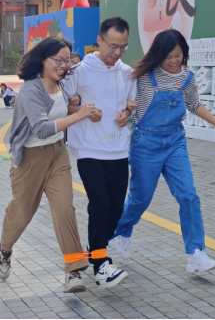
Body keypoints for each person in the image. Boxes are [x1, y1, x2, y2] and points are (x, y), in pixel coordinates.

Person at [114, 29, 215, 273]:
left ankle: (195, 254)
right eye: (167, 56)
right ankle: (123, 230)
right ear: (158, 55)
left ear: (184, 53)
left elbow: (194, 104)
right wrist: (124, 111)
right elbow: (121, 98)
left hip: (175, 142)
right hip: (145, 143)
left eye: (178, 55)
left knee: (188, 195)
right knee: (140, 199)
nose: (173, 61)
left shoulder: (187, 77)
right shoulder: (142, 76)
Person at [0, 36, 98, 294]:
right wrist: (80, 115)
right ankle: (4, 249)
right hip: (30, 159)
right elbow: (41, 129)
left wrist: (84, 111)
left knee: (64, 209)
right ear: (43, 59)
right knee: (22, 212)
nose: (63, 66)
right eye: (58, 60)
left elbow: (60, 112)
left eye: (67, 61)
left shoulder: (60, 84)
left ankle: (74, 270)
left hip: (57, 154)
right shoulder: (32, 89)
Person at [64, 17, 136, 289]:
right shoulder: (78, 71)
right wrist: (83, 111)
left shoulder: (127, 73)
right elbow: (64, 106)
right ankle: (100, 265)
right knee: (100, 205)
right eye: (113, 45)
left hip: (118, 149)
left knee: (116, 210)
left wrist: (126, 114)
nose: (117, 52)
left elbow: (130, 106)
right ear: (99, 40)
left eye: (123, 47)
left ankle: (95, 249)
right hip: (89, 150)